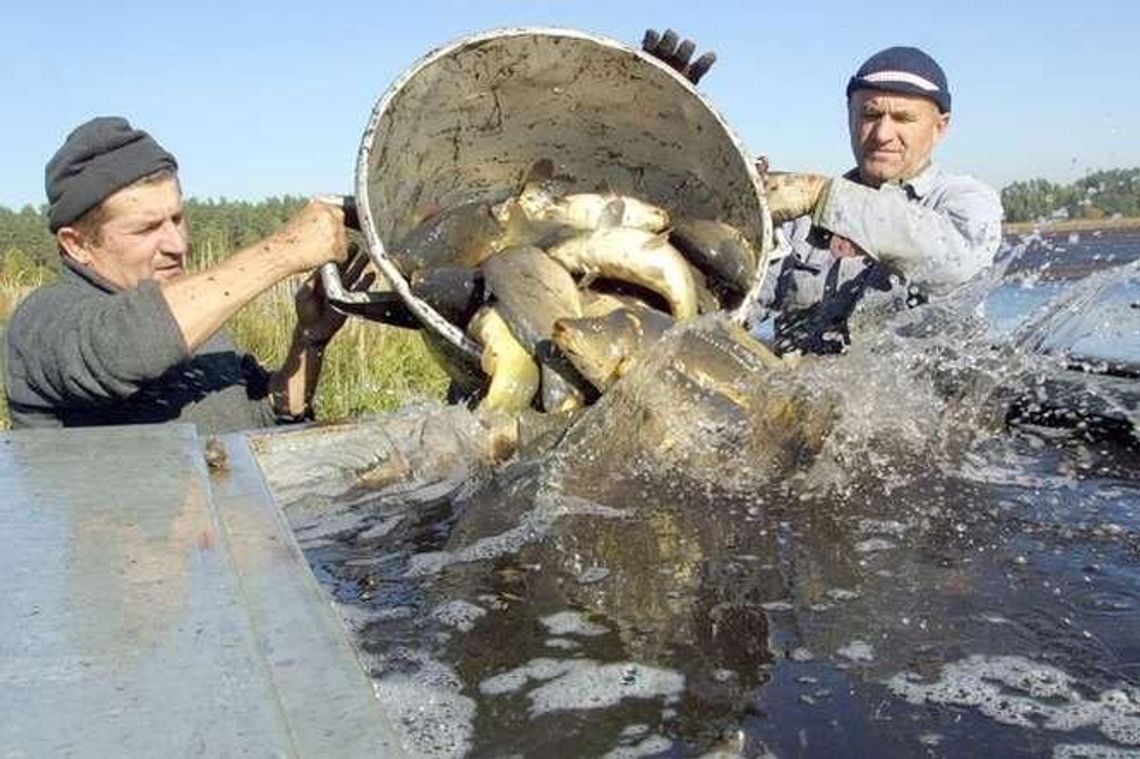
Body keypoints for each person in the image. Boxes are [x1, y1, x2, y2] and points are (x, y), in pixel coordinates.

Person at [4, 116, 369, 433]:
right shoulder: (43, 322)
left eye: (177, 218)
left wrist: (308, 340)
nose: (177, 244)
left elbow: (263, 419)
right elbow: (125, 348)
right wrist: (285, 250)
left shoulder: (197, 327)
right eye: (147, 229)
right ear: (77, 244)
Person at [755, 46, 1004, 354]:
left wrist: (822, 196)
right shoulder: (799, 219)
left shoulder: (964, 200)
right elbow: (734, 305)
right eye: (870, 115)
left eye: (903, 118)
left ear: (939, 127)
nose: (883, 133)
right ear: (849, 117)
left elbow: (956, 262)